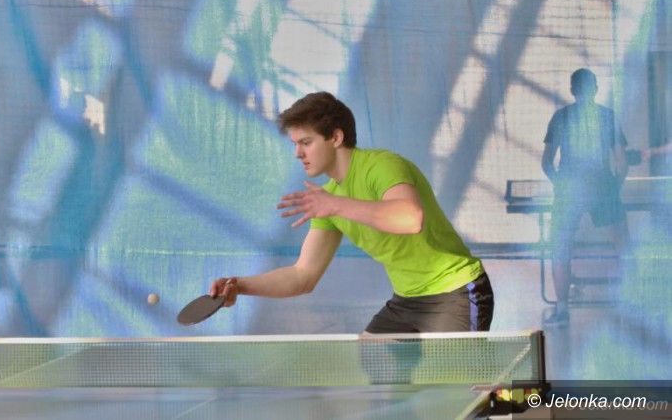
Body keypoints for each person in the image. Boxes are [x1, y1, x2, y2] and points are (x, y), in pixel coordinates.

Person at [210, 91, 494, 334]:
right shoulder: (327, 199)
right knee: (374, 361)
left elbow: (410, 218)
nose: (297, 153)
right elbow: (302, 276)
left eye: (306, 142)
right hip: (408, 299)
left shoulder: (381, 166)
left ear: (335, 137)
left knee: (453, 379)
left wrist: (335, 204)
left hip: (455, 290)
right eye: (295, 144)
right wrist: (240, 286)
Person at [541, 68, 629, 326]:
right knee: (623, 246)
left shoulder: (561, 117)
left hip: (569, 189)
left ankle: (562, 310)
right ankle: (631, 303)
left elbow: (546, 162)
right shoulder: (607, 116)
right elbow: (622, 162)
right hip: (603, 186)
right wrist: (613, 188)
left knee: (560, 248)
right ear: (596, 89)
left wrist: (560, 185)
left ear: (572, 90)